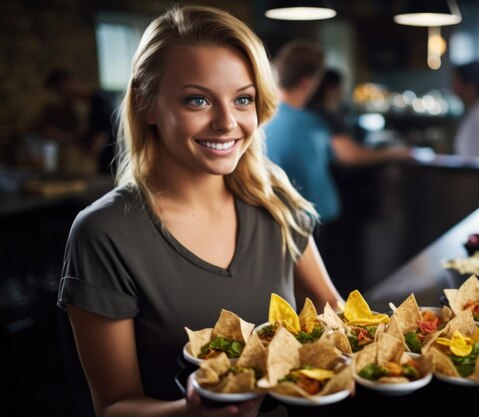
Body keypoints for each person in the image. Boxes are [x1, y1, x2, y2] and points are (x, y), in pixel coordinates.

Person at [56, 5, 343, 417]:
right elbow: (115, 404)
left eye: (243, 99)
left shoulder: (273, 198)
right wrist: (189, 412)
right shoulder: (103, 233)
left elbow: (331, 311)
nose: (227, 122)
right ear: (146, 104)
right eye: (198, 100)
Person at [264, 40, 340, 223]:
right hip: (310, 223)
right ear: (307, 82)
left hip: (275, 220)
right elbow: (342, 156)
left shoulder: (260, 118)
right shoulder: (313, 126)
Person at [307, 68, 413, 166]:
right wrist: (393, 154)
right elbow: (350, 155)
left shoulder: (326, 112)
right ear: (333, 88)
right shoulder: (323, 116)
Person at [34, 69, 116, 174]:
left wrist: (59, 136)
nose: (62, 97)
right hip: (107, 170)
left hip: (111, 172)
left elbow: (95, 146)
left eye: (60, 91)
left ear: (67, 84)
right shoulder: (90, 105)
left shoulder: (99, 104)